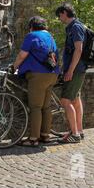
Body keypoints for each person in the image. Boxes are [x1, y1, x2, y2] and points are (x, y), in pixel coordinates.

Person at [11, 16, 60, 147]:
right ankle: (45, 135)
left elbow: (22, 55)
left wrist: (13, 68)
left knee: (35, 107)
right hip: (52, 74)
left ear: (32, 26)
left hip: (38, 75)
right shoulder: (51, 37)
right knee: (46, 106)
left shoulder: (31, 36)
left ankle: (33, 139)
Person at [55, 3, 87, 144]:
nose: (59, 18)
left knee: (65, 100)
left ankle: (74, 134)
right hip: (78, 69)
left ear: (64, 13)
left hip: (76, 70)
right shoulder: (75, 26)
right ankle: (79, 130)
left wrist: (70, 70)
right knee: (75, 100)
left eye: (59, 15)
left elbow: (78, 49)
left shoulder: (75, 27)